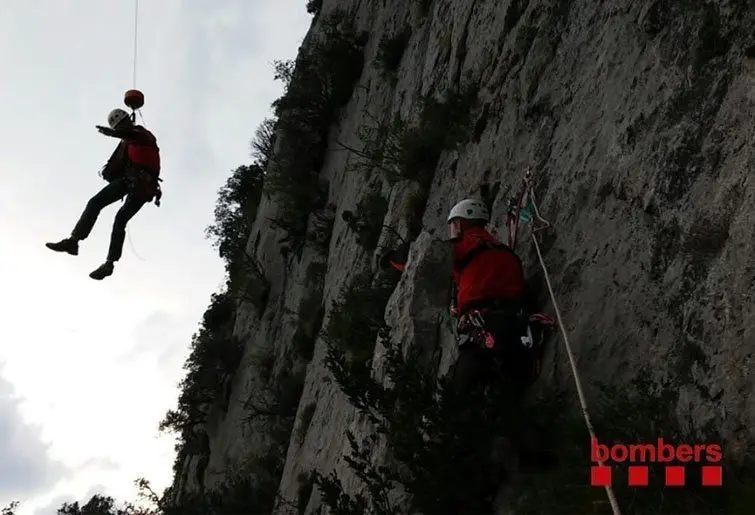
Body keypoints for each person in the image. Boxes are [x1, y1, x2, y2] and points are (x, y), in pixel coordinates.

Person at [446, 197, 556, 472]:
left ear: (460, 224)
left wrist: (392, 261)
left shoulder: (463, 248)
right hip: (514, 328)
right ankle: (535, 456)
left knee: (461, 394)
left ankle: (469, 470)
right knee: (507, 392)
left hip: (481, 329)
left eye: (452, 226)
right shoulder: (506, 254)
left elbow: (430, 264)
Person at [46, 108, 161, 280]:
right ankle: (74, 241)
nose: (121, 129)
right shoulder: (127, 143)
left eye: (122, 124)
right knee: (95, 203)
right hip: (130, 180)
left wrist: (112, 134)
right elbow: (122, 154)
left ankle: (109, 263)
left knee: (119, 219)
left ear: (128, 121)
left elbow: (134, 135)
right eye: (118, 127)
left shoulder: (142, 134)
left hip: (143, 185)